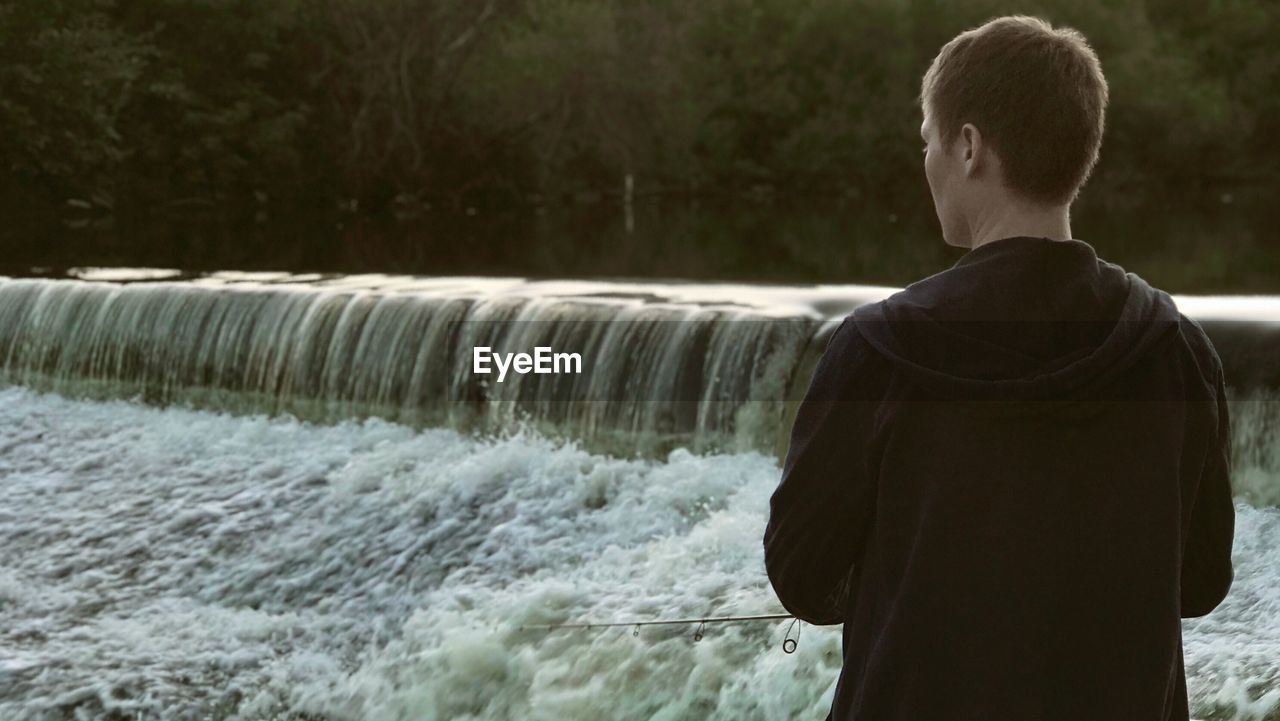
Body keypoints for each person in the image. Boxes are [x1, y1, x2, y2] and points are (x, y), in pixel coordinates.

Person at [762, 15, 1235, 721]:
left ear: (969, 147)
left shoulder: (877, 350)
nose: (925, 161)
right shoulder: (1174, 350)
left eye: (927, 140)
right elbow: (1199, 582)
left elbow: (802, 575)